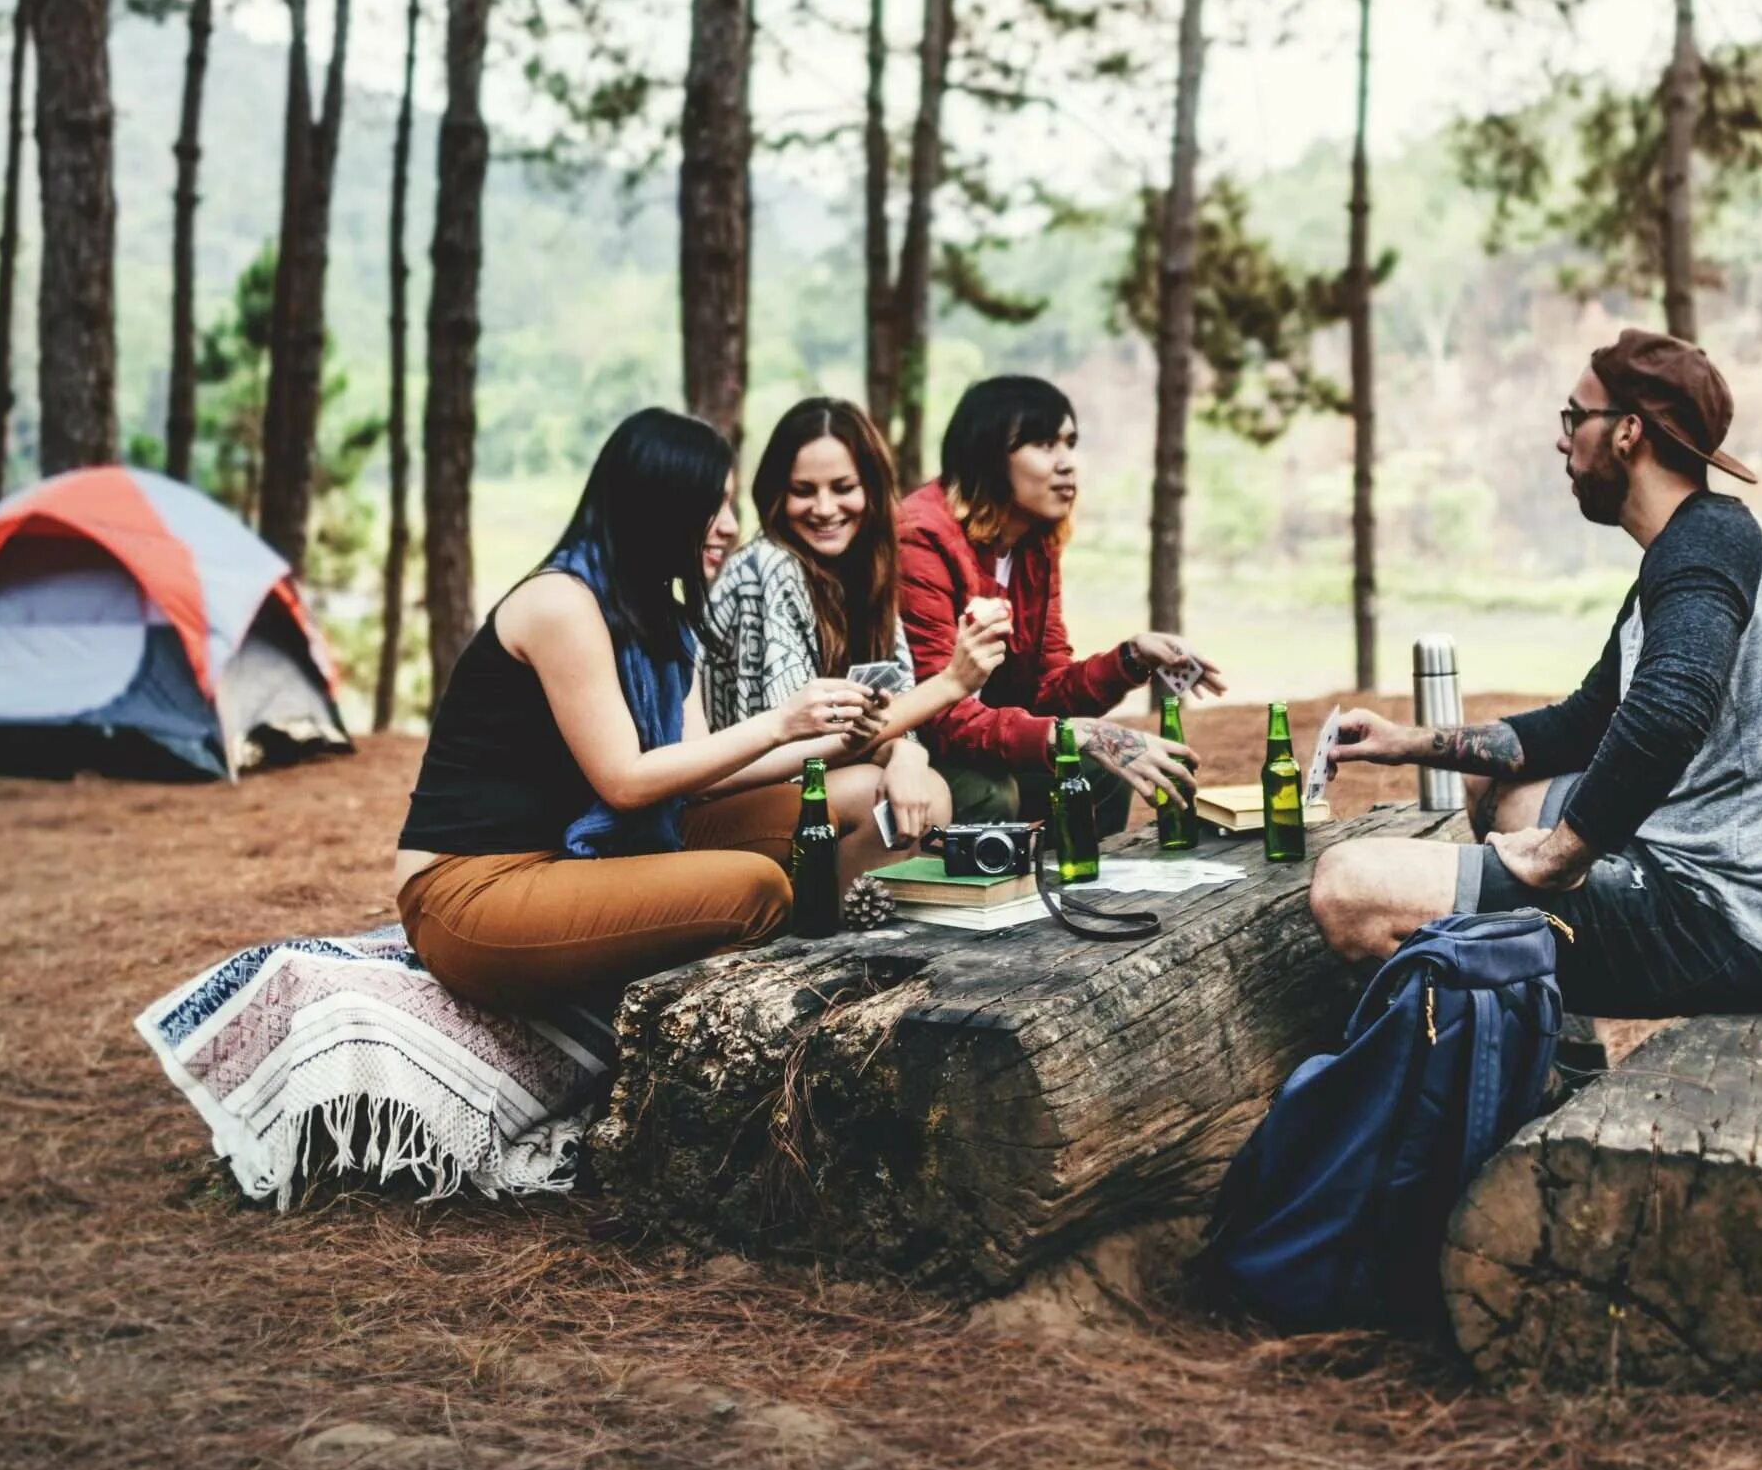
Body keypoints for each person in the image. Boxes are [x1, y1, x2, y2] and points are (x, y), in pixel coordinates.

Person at [1308, 330, 1762, 1019]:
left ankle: (1469, 1062)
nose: (1562, 440)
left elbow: (1669, 712)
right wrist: (1409, 741)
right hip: (1730, 892)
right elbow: (1581, 726)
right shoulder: (1687, 548)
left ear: (1628, 433)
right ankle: (1555, 1047)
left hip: (1736, 923)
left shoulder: (1706, 550)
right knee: (1497, 789)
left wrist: (1559, 857)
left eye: (1575, 419)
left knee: (1347, 889)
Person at [394, 409, 916, 1011]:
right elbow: (625, 782)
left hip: (579, 855)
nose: (727, 527)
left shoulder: (659, 616)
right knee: (756, 887)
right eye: (709, 507)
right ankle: (779, 1019)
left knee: (863, 796)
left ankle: (842, 976)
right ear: (657, 510)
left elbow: (695, 774)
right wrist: (778, 722)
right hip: (473, 890)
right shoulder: (560, 603)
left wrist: (846, 736)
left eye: (728, 505)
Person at [898, 374, 1220, 829]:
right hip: (913, 748)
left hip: (986, 737)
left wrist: (1130, 658)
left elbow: (1047, 691)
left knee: (1096, 775)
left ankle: (1079, 897)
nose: (1067, 464)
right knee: (992, 793)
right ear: (987, 454)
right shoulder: (922, 538)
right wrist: (1081, 735)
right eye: (1045, 445)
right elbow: (939, 714)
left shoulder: (1034, 541)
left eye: (1069, 443)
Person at [704, 396, 997, 848]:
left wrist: (905, 753)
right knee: (873, 793)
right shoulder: (769, 565)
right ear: (777, 493)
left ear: (872, 489)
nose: (824, 508)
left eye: (843, 487)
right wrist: (951, 683)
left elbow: (890, 708)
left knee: (924, 790)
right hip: (727, 795)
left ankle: (868, 913)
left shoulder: (867, 571)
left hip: (812, 777)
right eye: (804, 490)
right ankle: (824, 918)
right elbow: (792, 750)